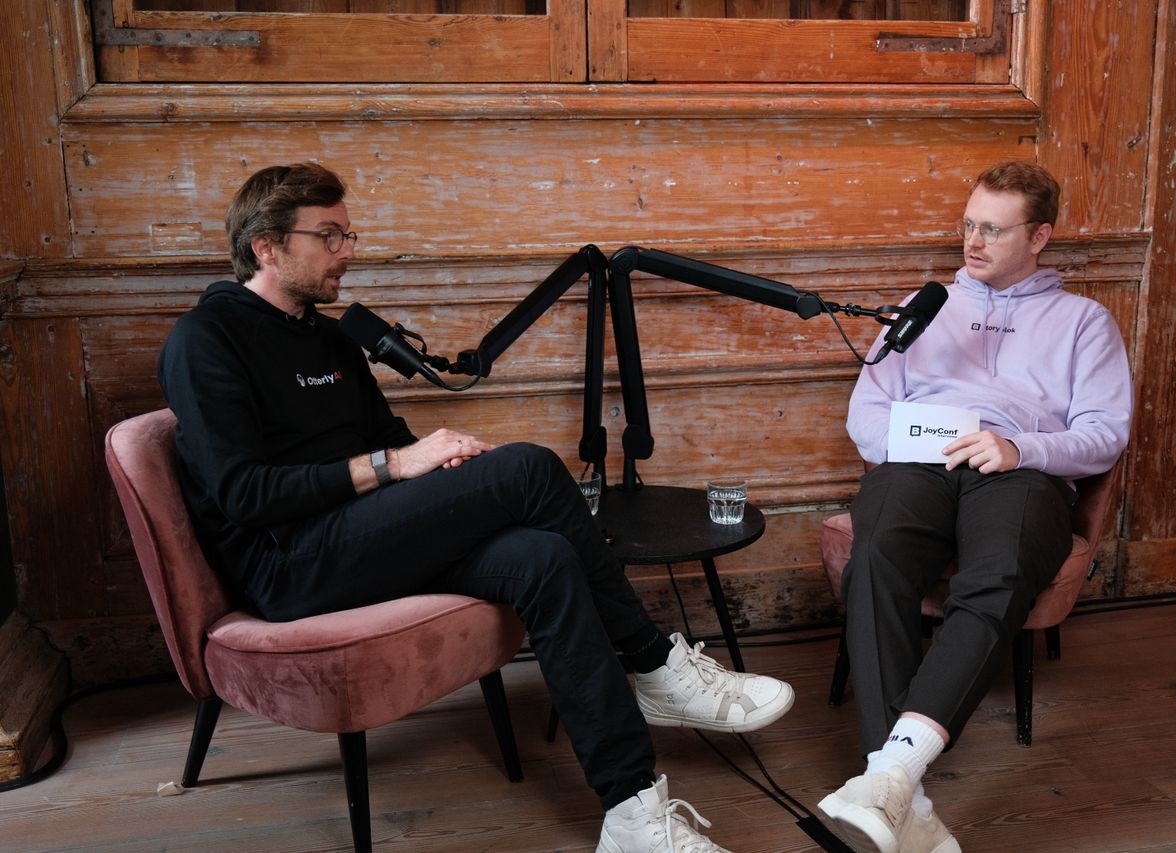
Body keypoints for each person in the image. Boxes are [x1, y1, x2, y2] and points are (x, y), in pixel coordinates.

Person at [157, 162, 795, 853]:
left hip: (361, 539)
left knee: (543, 556)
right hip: (289, 566)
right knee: (526, 467)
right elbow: (243, 494)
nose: (349, 250)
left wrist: (444, 475)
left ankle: (631, 811)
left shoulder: (332, 338)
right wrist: (401, 466)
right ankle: (652, 660)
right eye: (330, 236)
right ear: (268, 247)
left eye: (349, 233)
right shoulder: (205, 340)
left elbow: (391, 445)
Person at [817, 161, 1132, 852]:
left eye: (994, 228)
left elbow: (1107, 431)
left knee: (1002, 567)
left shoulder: (1084, 322)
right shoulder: (922, 306)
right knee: (875, 555)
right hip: (917, 463)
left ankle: (891, 773)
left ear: (1041, 235)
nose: (974, 241)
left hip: (1017, 471)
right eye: (969, 224)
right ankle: (900, 785)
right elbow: (866, 411)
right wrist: (912, 439)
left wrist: (1021, 448)